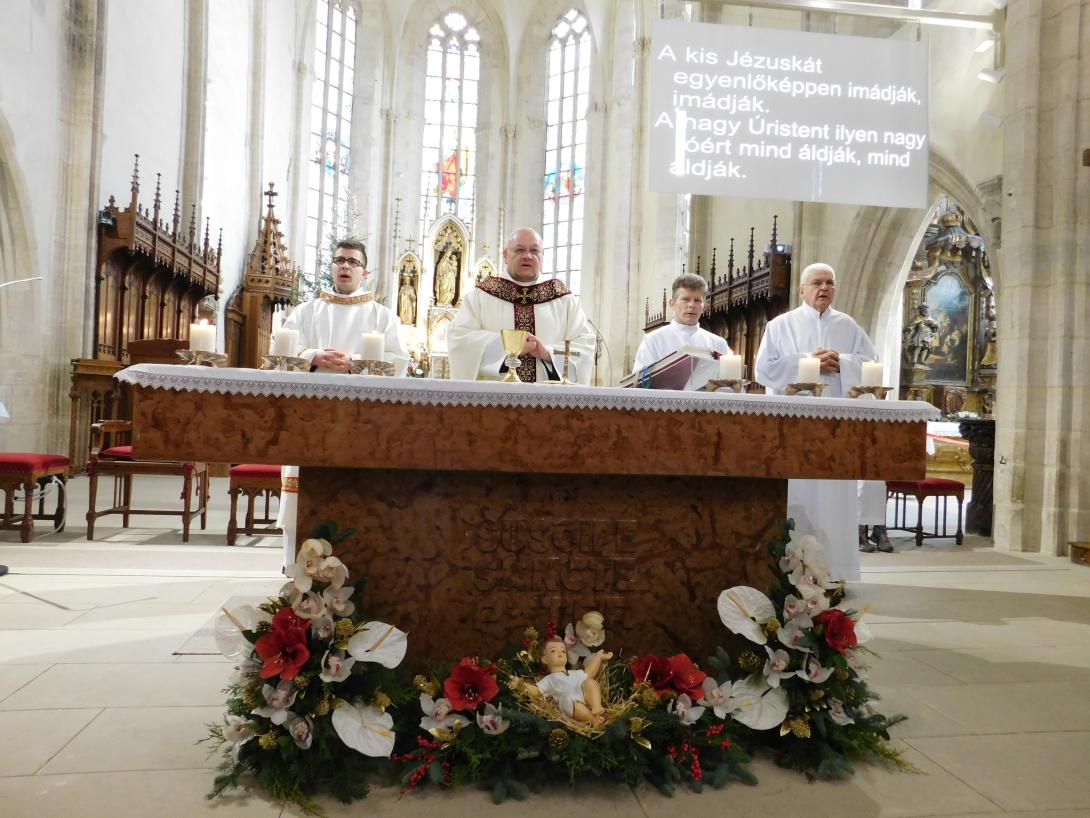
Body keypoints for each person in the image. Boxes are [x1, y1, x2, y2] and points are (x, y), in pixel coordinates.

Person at [274, 239, 409, 568]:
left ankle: (362, 567)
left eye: (352, 262)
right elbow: (279, 357)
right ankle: (298, 572)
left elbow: (399, 362)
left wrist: (356, 362)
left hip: (363, 422)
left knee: (360, 494)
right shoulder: (306, 312)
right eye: (339, 261)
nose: (345, 266)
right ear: (331, 267)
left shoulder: (382, 317)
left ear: (365, 271)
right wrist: (314, 355)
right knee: (307, 491)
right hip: (311, 420)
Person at [754, 262, 891, 581]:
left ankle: (835, 572)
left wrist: (842, 362)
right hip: (792, 428)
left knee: (834, 499)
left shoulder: (848, 325)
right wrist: (807, 363)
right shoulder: (780, 325)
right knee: (795, 495)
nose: (824, 288)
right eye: (816, 282)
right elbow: (763, 371)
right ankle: (787, 570)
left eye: (830, 282)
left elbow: (872, 365)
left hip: (835, 429)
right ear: (802, 289)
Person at [448, 227, 596, 384]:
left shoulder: (564, 299)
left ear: (542, 256)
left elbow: (585, 344)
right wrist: (506, 346)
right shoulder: (481, 296)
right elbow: (459, 338)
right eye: (519, 250)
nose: (527, 256)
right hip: (494, 402)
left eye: (534, 250)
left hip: (549, 403)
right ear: (505, 255)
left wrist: (548, 353)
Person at [632, 273, 731, 389]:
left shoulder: (718, 343)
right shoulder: (653, 340)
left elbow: (731, 387)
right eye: (685, 299)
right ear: (672, 304)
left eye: (697, 300)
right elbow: (640, 384)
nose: (691, 305)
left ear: (703, 306)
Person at [533, 637, 614, 725]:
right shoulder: (549, 679)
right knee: (567, 699)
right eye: (553, 651)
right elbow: (537, 690)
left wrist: (599, 657)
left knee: (589, 681)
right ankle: (593, 720)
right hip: (571, 705)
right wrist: (520, 684)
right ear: (544, 659)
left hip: (585, 699)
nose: (560, 652)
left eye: (563, 651)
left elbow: (589, 673)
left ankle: (596, 707)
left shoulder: (575, 673)